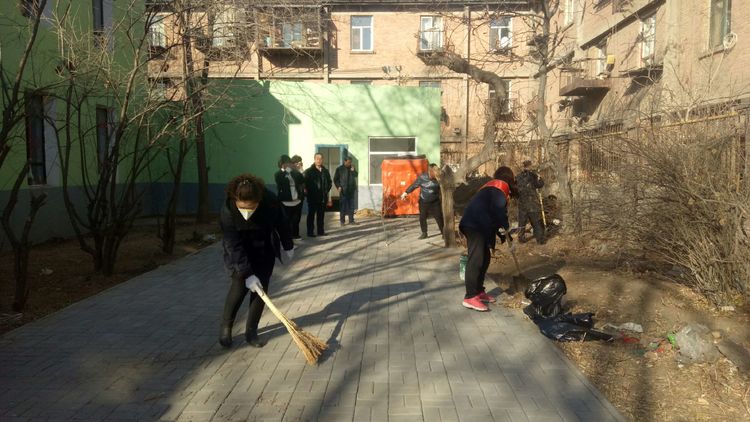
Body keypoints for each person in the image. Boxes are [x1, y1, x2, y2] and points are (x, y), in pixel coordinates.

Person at [219, 173, 294, 348]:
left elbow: (282, 222)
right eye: (242, 208)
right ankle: (226, 328)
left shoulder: (270, 201)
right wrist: (247, 273)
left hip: (263, 249)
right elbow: (232, 245)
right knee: (239, 287)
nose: (247, 213)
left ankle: (251, 331)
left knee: (260, 291)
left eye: (251, 208)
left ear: (259, 201)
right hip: (241, 251)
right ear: (235, 200)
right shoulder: (228, 210)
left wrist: (288, 244)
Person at [458, 166, 515, 312]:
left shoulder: (493, 188)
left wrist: (503, 235)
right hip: (474, 225)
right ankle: (470, 296)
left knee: (485, 258)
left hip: (479, 225)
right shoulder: (500, 187)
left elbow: (492, 214)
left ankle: (479, 291)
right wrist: (506, 228)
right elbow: (499, 211)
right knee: (476, 260)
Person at [400, 163, 443, 239]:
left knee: (439, 217)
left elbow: (444, 188)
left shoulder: (439, 177)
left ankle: (444, 232)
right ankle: (424, 233)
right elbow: (414, 185)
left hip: (435, 202)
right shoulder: (422, 178)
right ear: (430, 173)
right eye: (433, 177)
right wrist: (405, 192)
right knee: (422, 217)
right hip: (424, 201)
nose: (434, 178)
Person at [275, 155, 305, 239]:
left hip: (296, 200)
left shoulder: (294, 172)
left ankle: (295, 234)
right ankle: (287, 236)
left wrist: (300, 170)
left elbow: (302, 180)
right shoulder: (278, 174)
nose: (290, 164)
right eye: (288, 163)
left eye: (290, 163)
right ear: (283, 164)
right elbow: (283, 181)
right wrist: (288, 170)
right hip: (286, 201)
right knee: (286, 220)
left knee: (296, 219)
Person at [516, 159, 545, 244]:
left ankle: (521, 239)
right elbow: (540, 185)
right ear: (529, 166)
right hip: (532, 203)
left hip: (522, 203)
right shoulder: (533, 176)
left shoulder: (517, 177)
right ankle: (540, 240)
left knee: (522, 222)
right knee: (536, 222)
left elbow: (515, 190)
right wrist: (540, 178)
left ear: (523, 166)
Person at [303, 153, 332, 237]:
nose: (319, 160)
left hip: (322, 198)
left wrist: (325, 191)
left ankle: (320, 231)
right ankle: (310, 232)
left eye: (320, 159)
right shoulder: (309, 171)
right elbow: (305, 184)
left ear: (322, 160)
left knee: (321, 215)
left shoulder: (325, 171)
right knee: (311, 215)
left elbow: (329, 182)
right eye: (317, 159)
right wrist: (308, 192)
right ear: (314, 159)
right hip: (312, 197)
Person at [333, 157, 358, 225]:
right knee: (343, 207)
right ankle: (342, 221)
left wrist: (353, 170)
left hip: (351, 190)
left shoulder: (352, 168)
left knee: (351, 207)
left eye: (350, 162)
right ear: (345, 161)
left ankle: (351, 221)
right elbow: (335, 179)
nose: (350, 163)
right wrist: (338, 186)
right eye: (348, 162)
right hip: (343, 191)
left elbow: (356, 175)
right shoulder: (339, 169)